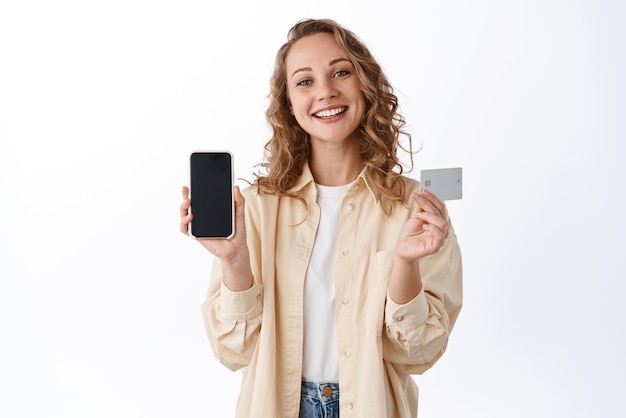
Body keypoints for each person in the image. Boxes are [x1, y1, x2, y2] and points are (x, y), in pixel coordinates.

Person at [179, 18, 462, 418]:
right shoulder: (257, 206)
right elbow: (232, 350)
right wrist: (233, 260)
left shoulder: (415, 207)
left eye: (340, 72)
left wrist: (405, 263)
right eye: (305, 81)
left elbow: (420, 353)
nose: (326, 91)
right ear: (289, 104)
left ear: (365, 84)